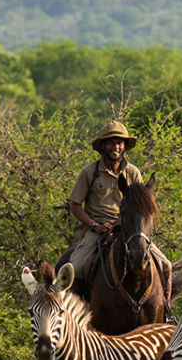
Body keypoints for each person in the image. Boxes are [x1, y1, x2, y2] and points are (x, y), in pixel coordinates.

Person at [58, 120, 166, 280]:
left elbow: (141, 206)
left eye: (119, 143)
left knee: (166, 266)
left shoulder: (133, 172)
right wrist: (95, 225)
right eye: (111, 143)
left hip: (128, 228)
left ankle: (166, 304)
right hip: (97, 231)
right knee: (76, 268)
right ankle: (70, 304)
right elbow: (75, 207)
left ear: (124, 146)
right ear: (103, 146)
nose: (116, 147)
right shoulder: (89, 172)